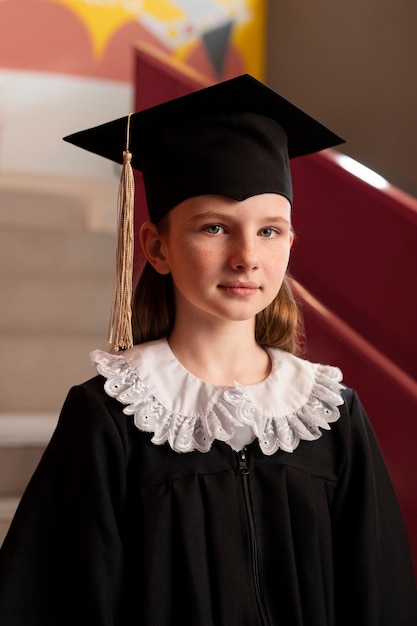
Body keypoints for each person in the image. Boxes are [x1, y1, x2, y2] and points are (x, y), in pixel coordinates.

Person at [0, 74, 416, 626]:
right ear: (157, 247)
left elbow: (380, 594)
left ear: (290, 243)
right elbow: (54, 600)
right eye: (215, 227)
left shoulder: (330, 416)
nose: (247, 256)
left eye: (270, 231)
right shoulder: (114, 417)